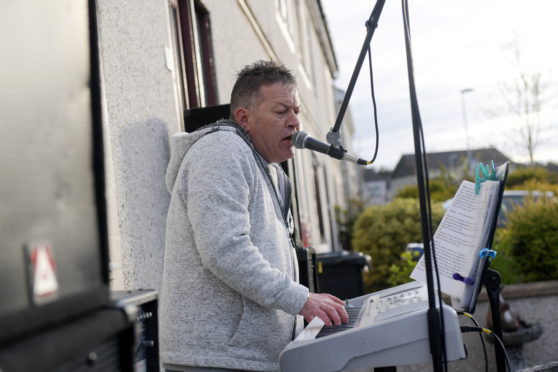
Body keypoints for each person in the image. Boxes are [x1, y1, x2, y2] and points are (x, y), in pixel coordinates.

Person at [160, 60, 348, 372]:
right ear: (244, 118)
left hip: (245, 357)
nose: (294, 123)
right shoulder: (221, 152)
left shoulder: (269, 169)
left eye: (297, 112)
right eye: (281, 111)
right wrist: (302, 300)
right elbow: (225, 250)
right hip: (216, 359)